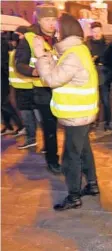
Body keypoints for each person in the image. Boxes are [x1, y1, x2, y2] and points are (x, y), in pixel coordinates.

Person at [33, 13, 100, 211]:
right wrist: (48, 57)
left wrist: (39, 56)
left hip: (76, 113)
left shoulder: (73, 54)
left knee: (71, 156)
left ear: (65, 31)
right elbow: (61, 74)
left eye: (57, 28)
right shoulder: (78, 51)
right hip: (82, 111)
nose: (54, 30)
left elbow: (52, 80)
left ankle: (73, 195)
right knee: (84, 150)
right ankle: (93, 185)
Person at [16, 4, 61, 173]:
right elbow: (19, 64)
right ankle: (52, 160)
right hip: (42, 90)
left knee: (62, 126)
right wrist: (35, 71)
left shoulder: (59, 37)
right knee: (49, 126)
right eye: (47, 20)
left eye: (54, 20)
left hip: (60, 87)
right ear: (39, 20)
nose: (51, 23)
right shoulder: (29, 38)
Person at [86, 21, 112, 132]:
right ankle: (94, 122)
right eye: (94, 31)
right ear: (91, 32)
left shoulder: (108, 44)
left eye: (98, 31)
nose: (96, 34)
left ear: (101, 31)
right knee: (93, 102)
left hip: (104, 76)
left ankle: (108, 122)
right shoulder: (87, 44)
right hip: (91, 76)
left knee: (106, 100)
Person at [2, 32, 25, 136]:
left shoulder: (2, 43)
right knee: (3, 103)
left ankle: (20, 125)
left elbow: (3, 63)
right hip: (5, 77)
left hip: (3, 78)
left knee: (5, 103)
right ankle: (8, 126)